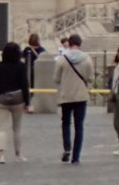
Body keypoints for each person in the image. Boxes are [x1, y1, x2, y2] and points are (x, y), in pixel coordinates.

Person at [54, 33, 93, 163]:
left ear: (69, 44)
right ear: (80, 44)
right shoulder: (87, 59)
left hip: (66, 95)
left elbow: (56, 79)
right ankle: (76, 156)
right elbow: (91, 78)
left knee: (66, 123)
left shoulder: (62, 59)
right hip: (81, 95)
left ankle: (67, 148)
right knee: (79, 125)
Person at [0, 42, 30, 163]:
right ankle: (18, 154)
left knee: (3, 128)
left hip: (2, 99)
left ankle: (2, 155)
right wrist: (27, 103)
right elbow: (24, 85)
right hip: (17, 100)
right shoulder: (21, 66)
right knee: (17, 128)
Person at [22, 33, 45, 113]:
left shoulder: (27, 49)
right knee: (36, 88)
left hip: (27, 71)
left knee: (27, 88)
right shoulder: (42, 50)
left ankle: (28, 105)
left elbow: (22, 57)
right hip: (38, 72)